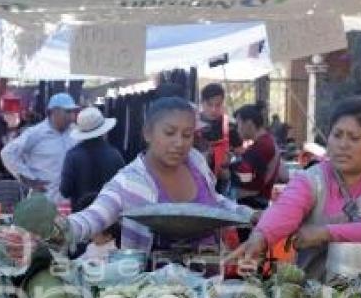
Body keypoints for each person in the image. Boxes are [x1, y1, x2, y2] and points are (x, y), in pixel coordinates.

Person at [233, 96, 361, 285]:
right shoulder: (312, 177)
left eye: (354, 138)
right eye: (337, 135)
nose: (343, 145)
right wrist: (261, 236)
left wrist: (325, 233)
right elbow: (286, 208)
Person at [64, 97, 256, 252]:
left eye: (187, 134)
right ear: (148, 133)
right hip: (154, 293)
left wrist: (250, 214)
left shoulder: (196, 162)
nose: (179, 142)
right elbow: (93, 217)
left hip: (210, 285)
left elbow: (216, 203)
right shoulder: (129, 181)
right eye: (169, 132)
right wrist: (61, 229)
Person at [0, 92, 78, 203]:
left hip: (70, 202)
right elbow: (7, 153)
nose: (72, 117)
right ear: (53, 112)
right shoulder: (36, 133)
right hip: (43, 202)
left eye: (73, 112)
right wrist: (29, 179)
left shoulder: (75, 133)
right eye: (67, 112)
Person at [60, 107, 125, 212]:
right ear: (104, 131)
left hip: (81, 216)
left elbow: (65, 191)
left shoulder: (72, 156)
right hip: (109, 216)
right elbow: (123, 188)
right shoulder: (115, 155)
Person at [231, 102, 280, 210]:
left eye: (238, 124)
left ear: (248, 123)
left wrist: (228, 169)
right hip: (257, 201)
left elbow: (248, 180)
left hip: (252, 203)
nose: (237, 129)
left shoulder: (262, 146)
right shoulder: (267, 142)